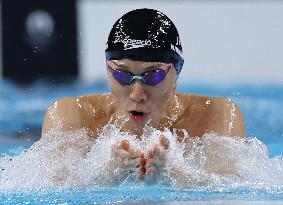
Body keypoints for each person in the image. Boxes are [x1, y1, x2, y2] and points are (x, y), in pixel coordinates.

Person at [42, 8, 245, 182]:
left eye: (153, 75)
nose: (137, 94)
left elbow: (229, 190)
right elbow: (52, 190)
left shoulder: (215, 115)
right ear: (107, 69)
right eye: (122, 74)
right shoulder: (71, 115)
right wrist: (106, 175)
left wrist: (174, 176)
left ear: (177, 71)